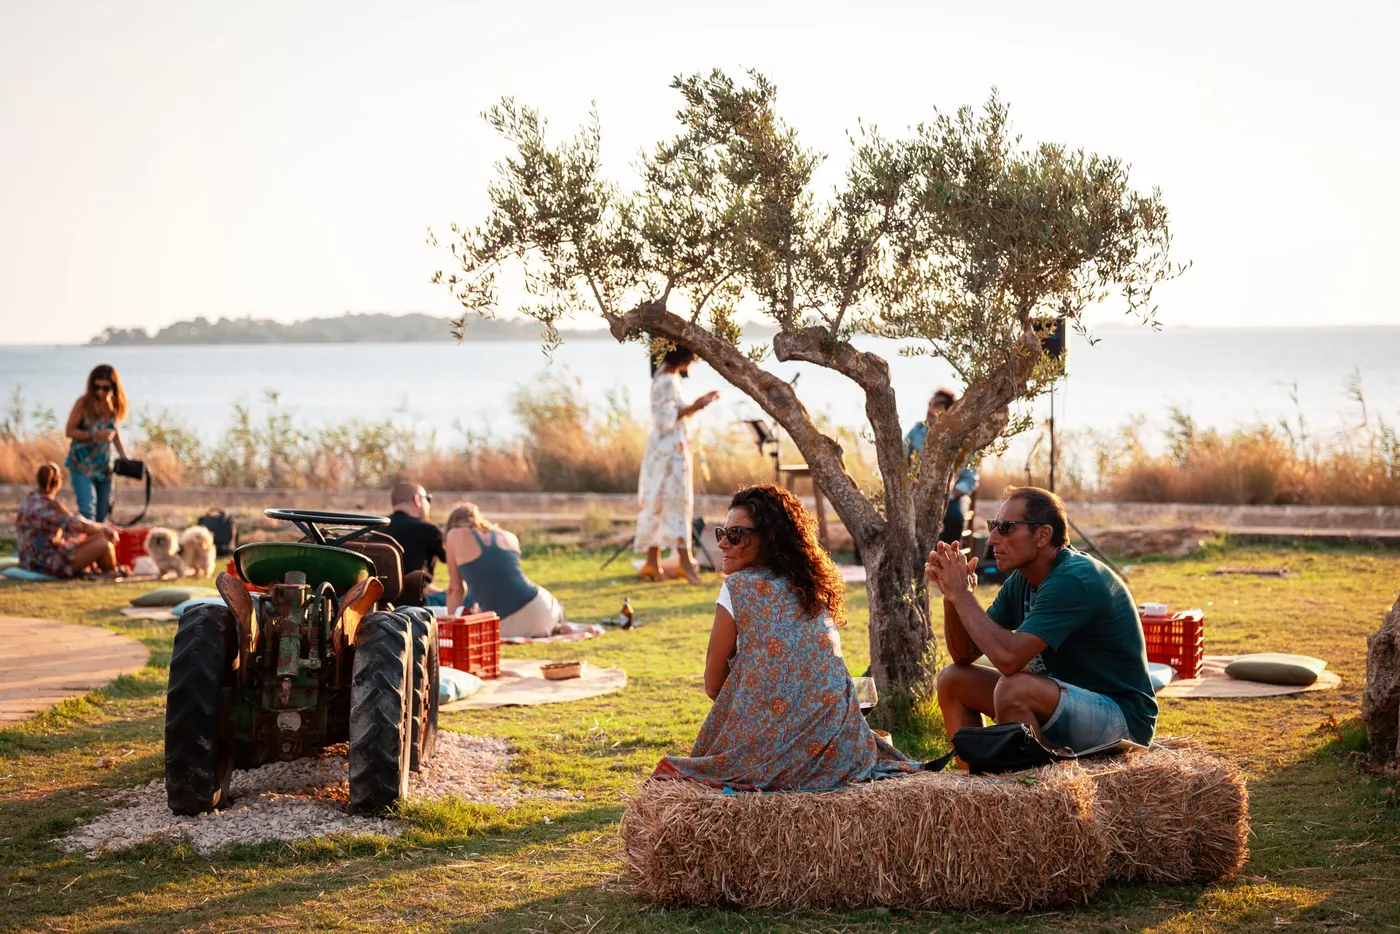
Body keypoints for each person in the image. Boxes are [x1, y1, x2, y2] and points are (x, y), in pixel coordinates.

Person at [652, 484, 921, 791]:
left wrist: (758, 714)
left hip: (774, 756)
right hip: (840, 753)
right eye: (721, 533)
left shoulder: (738, 587)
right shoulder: (814, 589)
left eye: (735, 535)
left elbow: (713, 684)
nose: (723, 544)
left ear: (768, 537)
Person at [927, 486, 1157, 759]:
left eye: (1005, 528)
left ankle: (1025, 789)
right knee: (954, 679)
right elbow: (964, 654)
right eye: (993, 526)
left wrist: (963, 595)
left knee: (1014, 690)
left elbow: (1008, 658)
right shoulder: (1022, 580)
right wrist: (951, 595)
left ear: (1043, 535)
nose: (991, 539)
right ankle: (979, 785)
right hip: (1064, 704)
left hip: (1123, 721)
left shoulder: (1073, 580)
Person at [636, 343, 719, 585]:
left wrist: (697, 404)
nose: (693, 362)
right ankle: (685, 562)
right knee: (675, 502)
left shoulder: (666, 375)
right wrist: (697, 405)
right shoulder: (666, 380)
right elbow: (664, 419)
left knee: (661, 501)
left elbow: (675, 412)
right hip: (669, 452)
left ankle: (654, 562)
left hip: (668, 449)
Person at [444, 503, 569, 638]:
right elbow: (500, 577)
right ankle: (555, 625)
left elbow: (455, 590)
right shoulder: (508, 536)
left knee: (480, 629)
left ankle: (546, 627)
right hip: (542, 606)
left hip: (507, 620)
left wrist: (450, 627)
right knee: (552, 608)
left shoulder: (454, 535)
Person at [17, 463, 122, 579]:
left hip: (27, 562)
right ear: (58, 482)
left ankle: (103, 572)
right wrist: (105, 528)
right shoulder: (49, 505)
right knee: (104, 544)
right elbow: (80, 525)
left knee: (92, 540)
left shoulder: (27, 502)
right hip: (46, 563)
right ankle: (111, 572)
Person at [905, 387, 979, 545]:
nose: (929, 410)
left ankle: (946, 562)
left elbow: (970, 479)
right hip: (916, 492)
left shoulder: (962, 438)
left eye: (936, 406)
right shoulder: (917, 431)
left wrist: (947, 494)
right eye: (929, 405)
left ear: (948, 411)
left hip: (951, 497)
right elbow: (900, 459)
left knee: (954, 518)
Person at [64, 364, 129, 522]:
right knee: (87, 512)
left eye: (105, 388)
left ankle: (97, 546)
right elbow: (69, 431)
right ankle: (87, 545)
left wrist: (123, 456)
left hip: (103, 467)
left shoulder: (114, 406)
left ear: (113, 387)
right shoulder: (83, 404)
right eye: (96, 387)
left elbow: (114, 432)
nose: (100, 391)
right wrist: (95, 436)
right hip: (81, 465)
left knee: (101, 516)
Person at [383, 481, 446, 606]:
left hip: (383, 604)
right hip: (418, 605)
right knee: (472, 596)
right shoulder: (428, 530)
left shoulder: (376, 530)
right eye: (428, 499)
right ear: (417, 500)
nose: (428, 504)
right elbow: (456, 560)